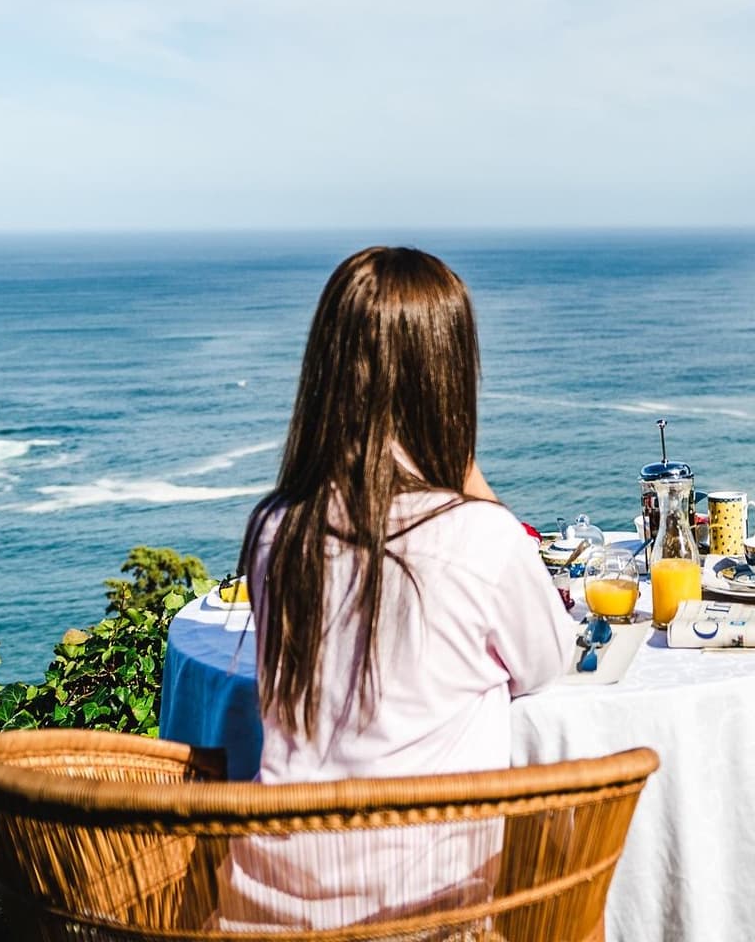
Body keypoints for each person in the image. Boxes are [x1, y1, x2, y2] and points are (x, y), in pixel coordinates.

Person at [218, 247, 576, 929]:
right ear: (446, 374)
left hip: (265, 913)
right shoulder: (481, 538)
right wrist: (468, 475)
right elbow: (548, 660)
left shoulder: (274, 529)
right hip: (425, 913)